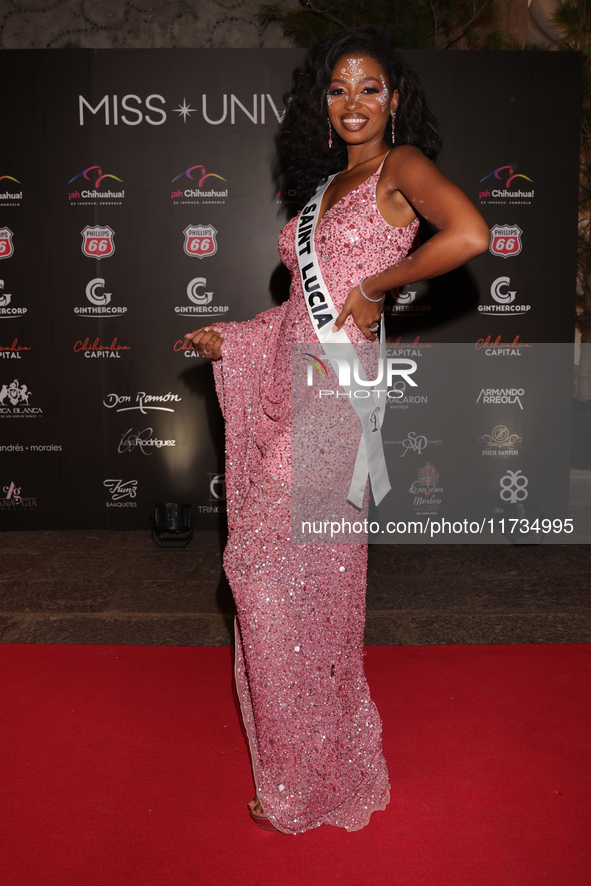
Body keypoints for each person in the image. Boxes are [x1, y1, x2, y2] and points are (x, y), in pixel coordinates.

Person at [186, 26, 489, 834]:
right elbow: (294, 309)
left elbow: (467, 235)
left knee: (259, 566)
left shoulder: (402, 168)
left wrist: (379, 287)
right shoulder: (321, 188)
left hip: (336, 397)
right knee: (294, 584)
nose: (354, 102)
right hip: (294, 380)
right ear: (321, 105)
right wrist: (239, 337)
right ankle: (313, 761)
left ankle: (305, 775)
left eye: (370, 88)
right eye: (338, 89)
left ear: (394, 99)